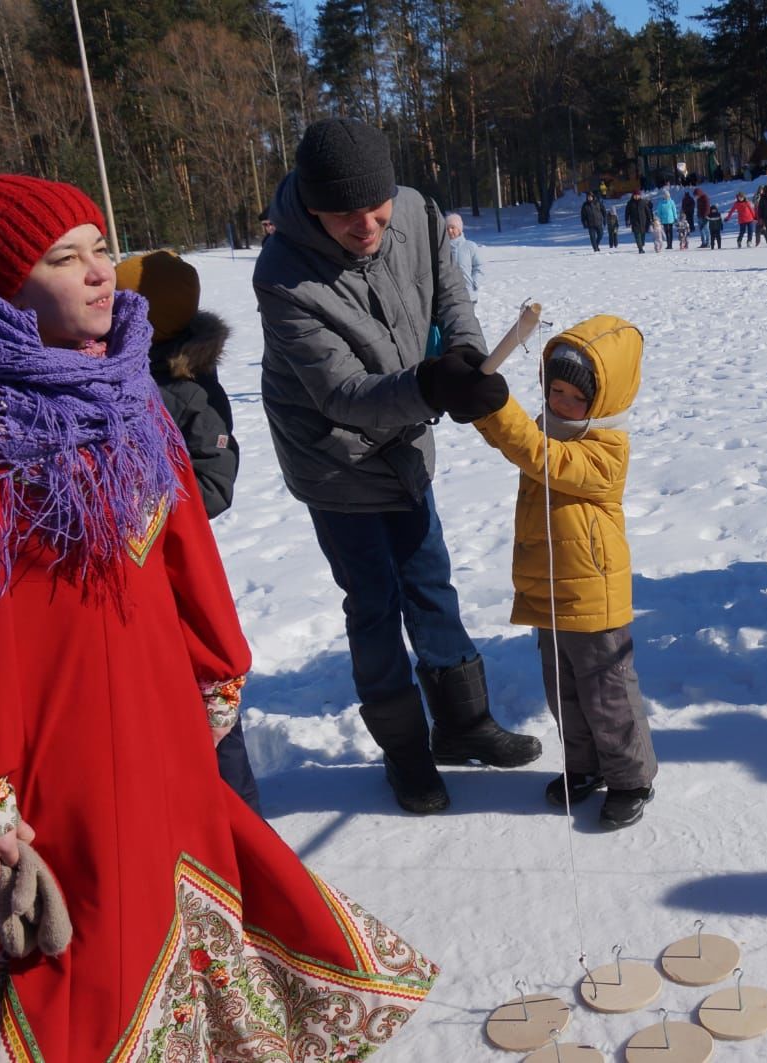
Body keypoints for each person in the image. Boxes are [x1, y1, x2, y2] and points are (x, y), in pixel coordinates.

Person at [0, 173, 437, 1059]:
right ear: (1, 287)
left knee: (193, 879)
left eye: (100, 247)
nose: (97, 271)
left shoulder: (133, 396)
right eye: (62, 257)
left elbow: (186, 539)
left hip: (165, 717)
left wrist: (218, 662)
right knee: (94, 925)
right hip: (53, 756)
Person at [254, 117, 540, 815]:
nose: (367, 225)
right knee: (376, 604)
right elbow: (342, 393)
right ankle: (406, 751)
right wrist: (430, 387)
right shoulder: (284, 275)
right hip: (334, 456)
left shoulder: (414, 210)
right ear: (312, 208)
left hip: (405, 439)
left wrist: (465, 360)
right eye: (345, 216)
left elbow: (450, 295)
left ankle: (464, 724)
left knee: (431, 582)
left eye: (375, 208)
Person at [421, 317, 660, 828]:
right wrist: (479, 405)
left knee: (608, 694)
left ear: (603, 400)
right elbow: (521, 440)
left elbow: (539, 456)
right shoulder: (552, 428)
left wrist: (498, 408)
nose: (562, 404)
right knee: (564, 691)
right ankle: (584, 767)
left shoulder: (607, 449)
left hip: (593, 592)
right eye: (555, 391)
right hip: (552, 586)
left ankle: (631, 777)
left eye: (577, 397)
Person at [114, 250, 260, 813]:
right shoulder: (122, 368)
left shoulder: (186, 389)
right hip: (132, 585)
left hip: (175, 577)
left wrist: (137, 511)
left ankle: (241, 824)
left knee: (210, 715)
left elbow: (214, 482)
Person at [445, 211, 484, 304]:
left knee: (468, 318)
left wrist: (475, 282)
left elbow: (479, 266)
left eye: (452, 227)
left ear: (459, 229)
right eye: (447, 228)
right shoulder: (442, 249)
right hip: (449, 296)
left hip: (469, 295)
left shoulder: (470, 246)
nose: (450, 231)